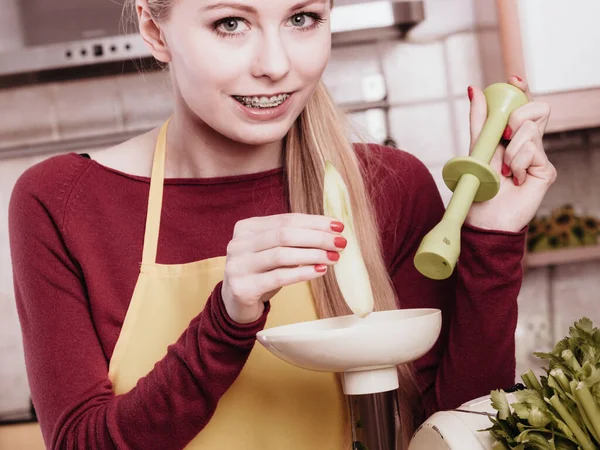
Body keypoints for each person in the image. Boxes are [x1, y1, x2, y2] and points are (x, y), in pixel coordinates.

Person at [8, 0, 556, 449]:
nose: (276, 63)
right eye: (231, 23)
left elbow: (453, 430)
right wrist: (225, 321)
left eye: (302, 18)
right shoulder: (62, 203)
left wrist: (494, 238)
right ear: (155, 30)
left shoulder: (391, 186)